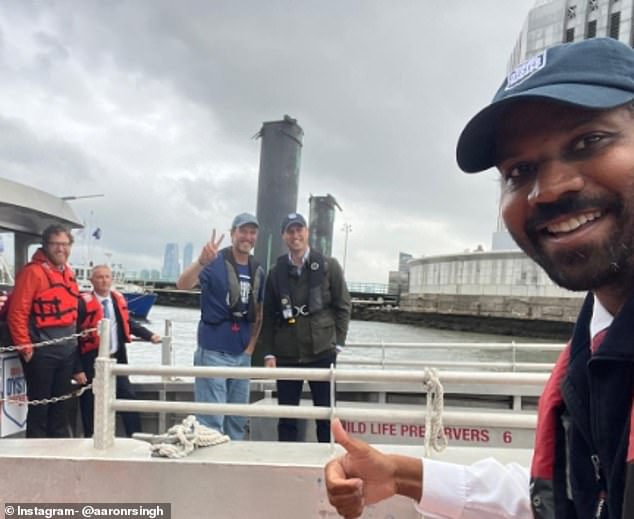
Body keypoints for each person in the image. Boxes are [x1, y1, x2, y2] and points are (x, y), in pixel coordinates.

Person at [325, 37, 634, 519]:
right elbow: (574, 500)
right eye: (520, 170)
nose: (548, 189)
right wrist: (402, 474)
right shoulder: (595, 347)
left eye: (588, 141)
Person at [261, 213, 351, 443]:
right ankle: (288, 460)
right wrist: (269, 352)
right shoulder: (275, 272)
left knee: (326, 414)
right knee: (288, 416)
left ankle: (329, 462)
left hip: (322, 351)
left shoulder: (329, 266)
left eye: (299, 229)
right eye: (290, 231)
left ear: (307, 232)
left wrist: (338, 343)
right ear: (284, 236)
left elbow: (343, 306)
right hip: (287, 353)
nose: (295, 235)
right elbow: (269, 316)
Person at [176, 212, 264, 440]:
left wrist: (250, 349)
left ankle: (232, 465)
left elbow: (259, 312)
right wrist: (201, 261)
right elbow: (182, 285)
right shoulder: (214, 262)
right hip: (213, 350)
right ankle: (210, 467)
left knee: (237, 420)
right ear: (233, 233)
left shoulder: (258, 270)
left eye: (252, 232)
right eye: (243, 231)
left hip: (242, 355)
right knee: (211, 421)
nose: (247, 236)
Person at [7, 224, 86, 438]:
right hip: (42, 352)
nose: (61, 249)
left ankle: (57, 454)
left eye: (65, 244)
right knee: (40, 409)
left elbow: (74, 317)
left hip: (66, 352)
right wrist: (25, 345)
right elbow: (18, 311)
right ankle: (36, 456)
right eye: (55, 244)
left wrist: (75, 359)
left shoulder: (69, 273)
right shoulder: (32, 273)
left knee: (60, 408)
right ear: (46, 246)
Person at [76, 264, 161, 437]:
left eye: (107, 277)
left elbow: (128, 323)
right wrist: (77, 368)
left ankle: (136, 438)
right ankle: (90, 438)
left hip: (116, 359)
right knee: (90, 402)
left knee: (128, 398)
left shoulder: (116, 300)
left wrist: (149, 335)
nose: (104, 280)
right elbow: (74, 338)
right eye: (99, 277)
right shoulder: (82, 304)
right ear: (92, 281)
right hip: (91, 362)